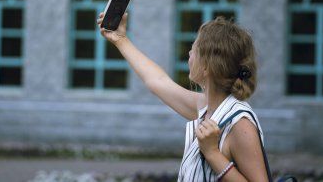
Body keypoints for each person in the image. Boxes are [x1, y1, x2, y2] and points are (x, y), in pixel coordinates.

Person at [97, 12, 269, 182]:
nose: (189, 54)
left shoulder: (240, 124)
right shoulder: (208, 107)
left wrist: (213, 154)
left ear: (207, 67)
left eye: (194, 50)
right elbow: (158, 81)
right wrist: (120, 39)